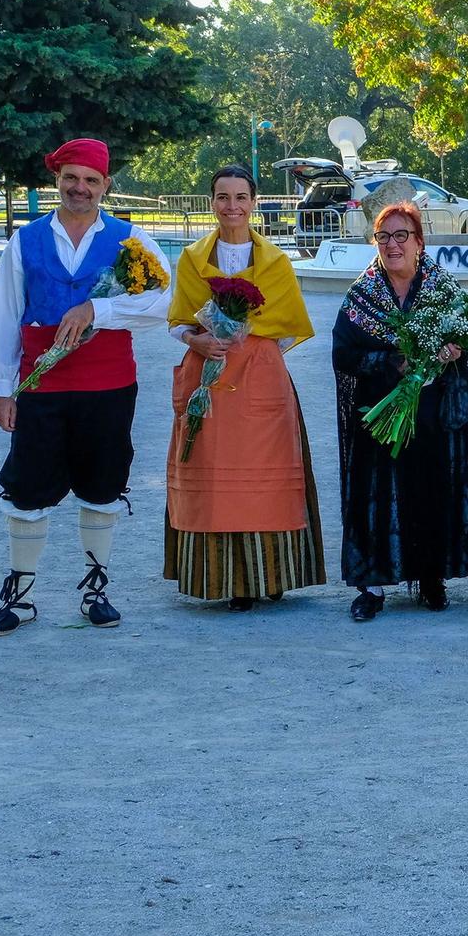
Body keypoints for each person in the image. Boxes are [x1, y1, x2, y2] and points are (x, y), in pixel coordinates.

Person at [0, 137, 173, 637]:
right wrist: (3, 388)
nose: (80, 188)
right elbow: (3, 316)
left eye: (91, 180)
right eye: (71, 178)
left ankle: (96, 590)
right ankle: (20, 596)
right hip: (41, 384)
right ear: (58, 181)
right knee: (27, 488)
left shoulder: (133, 241)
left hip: (108, 384)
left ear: (106, 185)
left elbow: (163, 303)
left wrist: (99, 309)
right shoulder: (26, 241)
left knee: (102, 484)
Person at [163, 165, 324, 612]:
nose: (231, 206)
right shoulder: (193, 260)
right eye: (222, 197)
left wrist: (254, 350)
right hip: (208, 373)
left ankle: (272, 575)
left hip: (259, 380)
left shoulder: (276, 263)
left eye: (240, 197)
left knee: (266, 476)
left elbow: (290, 328)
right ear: (211, 202)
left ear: (254, 203)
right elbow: (177, 322)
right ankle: (225, 580)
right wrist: (199, 339)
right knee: (214, 475)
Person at [332, 201, 468, 620]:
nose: (393, 245)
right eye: (384, 236)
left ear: (420, 243)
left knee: (430, 490)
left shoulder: (442, 290)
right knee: (376, 495)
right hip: (381, 414)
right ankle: (371, 585)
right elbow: (343, 354)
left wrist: (455, 348)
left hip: (435, 415)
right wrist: (392, 363)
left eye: (402, 235)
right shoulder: (361, 297)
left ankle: (430, 577)